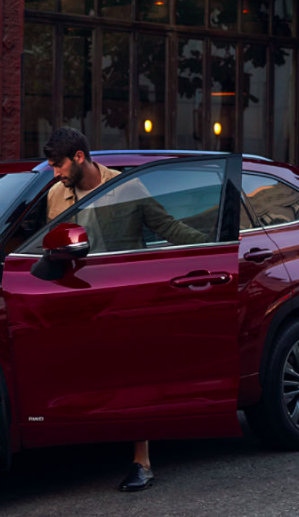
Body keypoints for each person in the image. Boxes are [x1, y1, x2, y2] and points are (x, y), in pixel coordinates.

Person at [42, 127, 207, 492]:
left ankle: (141, 461)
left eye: (58, 165)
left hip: (123, 293)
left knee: (132, 373)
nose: (54, 172)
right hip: (77, 295)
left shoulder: (126, 187)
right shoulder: (56, 195)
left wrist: (218, 247)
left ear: (79, 157)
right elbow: (50, 242)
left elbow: (168, 227)